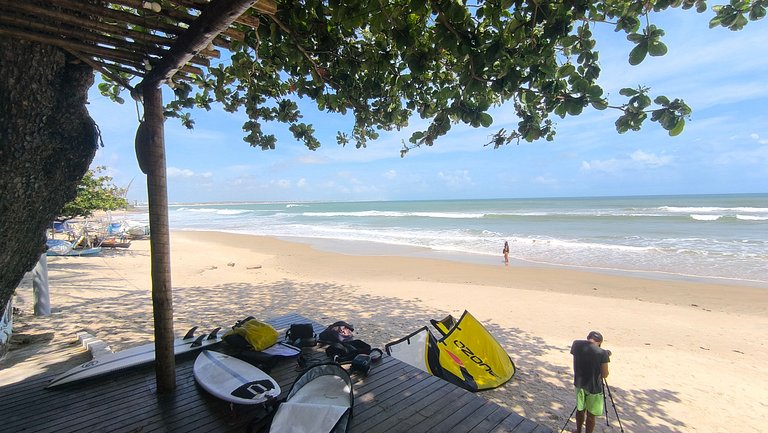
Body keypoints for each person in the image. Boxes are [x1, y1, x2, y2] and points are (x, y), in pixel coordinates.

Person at [570, 331, 610, 433]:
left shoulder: (576, 344)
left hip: (579, 383)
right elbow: (605, 374)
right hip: (593, 387)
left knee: (580, 410)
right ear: (600, 342)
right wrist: (605, 355)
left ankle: (578, 430)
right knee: (591, 415)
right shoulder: (602, 353)